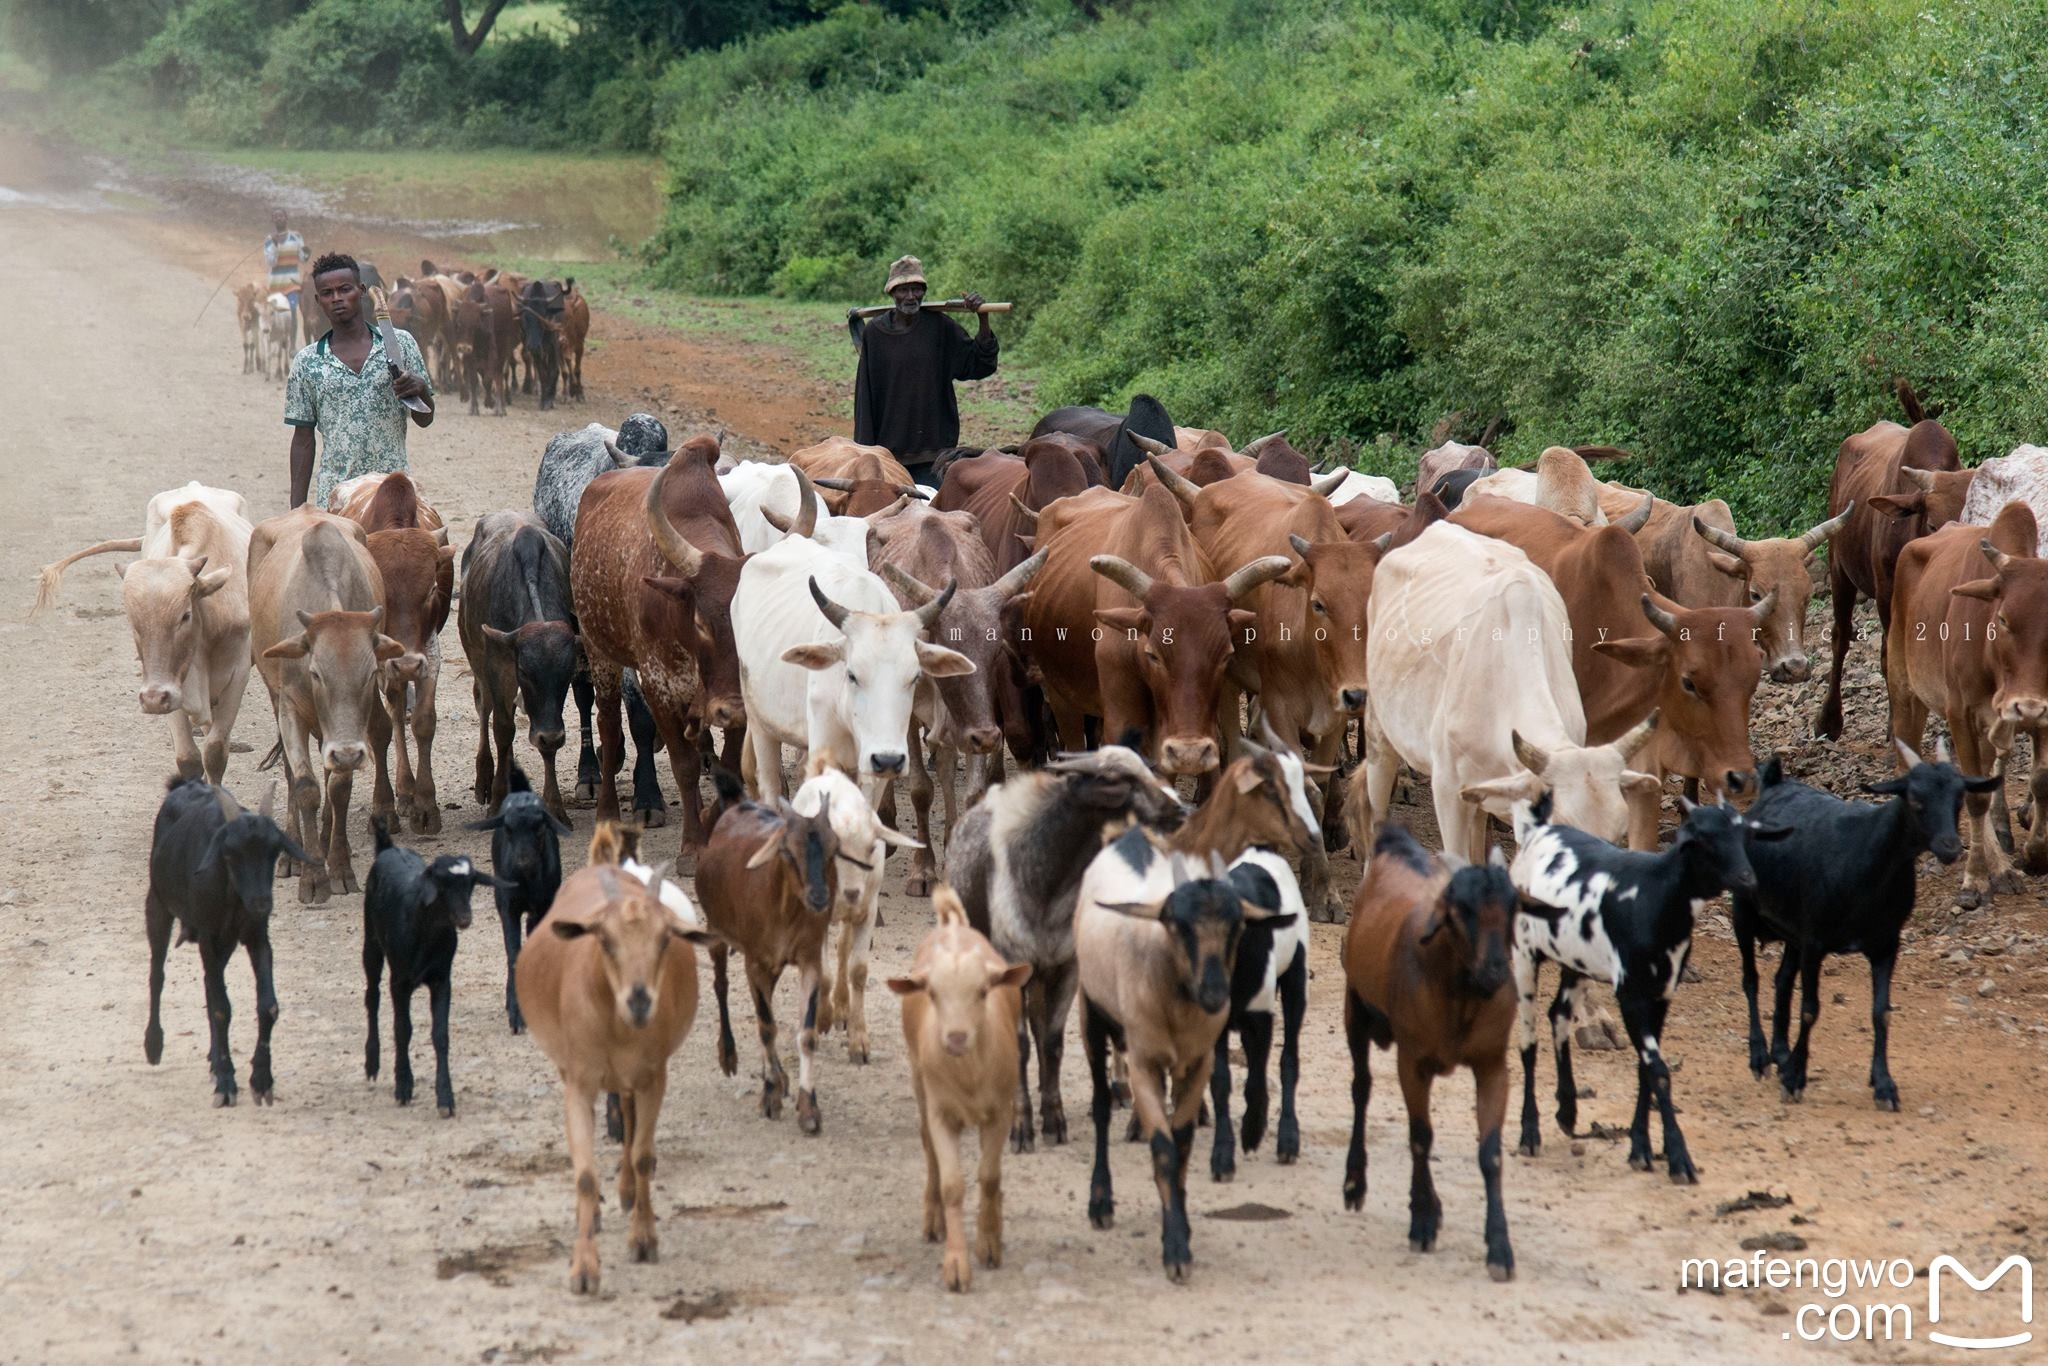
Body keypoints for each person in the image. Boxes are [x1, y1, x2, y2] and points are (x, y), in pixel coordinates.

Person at [283, 253, 434, 510]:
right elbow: (303, 439)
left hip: (393, 493)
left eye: (345, 289)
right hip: (338, 499)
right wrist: (296, 511)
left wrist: (420, 389)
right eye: (328, 293)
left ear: (361, 290)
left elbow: (425, 419)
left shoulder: (399, 344)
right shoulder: (308, 362)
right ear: (318, 300)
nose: (337, 298)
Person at [846, 255, 999, 486]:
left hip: (934, 452)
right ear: (891, 293)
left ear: (924, 291)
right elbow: (866, 396)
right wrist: (867, 453)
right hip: (889, 455)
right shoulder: (875, 333)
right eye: (903, 290)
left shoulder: (940, 327)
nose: (910, 296)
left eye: (916, 289)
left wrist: (983, 317)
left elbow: (978, 364)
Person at [263, 211, 309, 343]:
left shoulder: (296, 237)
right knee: (275, 314)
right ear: (273, 220)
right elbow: (271, 262)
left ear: (286, 218)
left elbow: (302, 258)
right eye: (276, 217)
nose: (279, 219)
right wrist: (275, 245)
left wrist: (306, 254)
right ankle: (279, 343)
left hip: (292, 283)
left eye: (281, 216)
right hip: (275, 285)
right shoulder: (269, 240)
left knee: (293, 312)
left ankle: (293, 345)